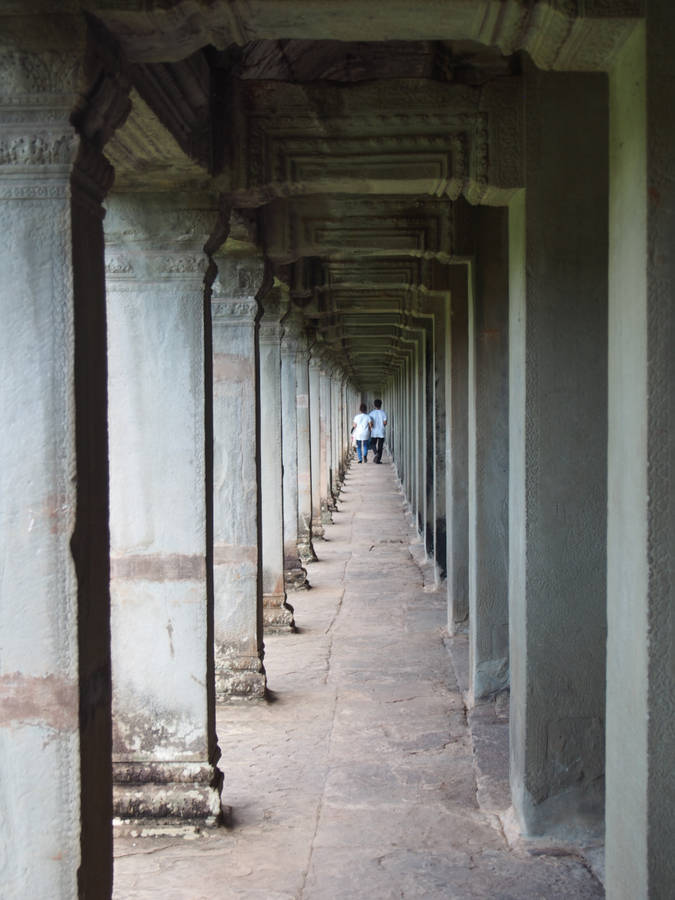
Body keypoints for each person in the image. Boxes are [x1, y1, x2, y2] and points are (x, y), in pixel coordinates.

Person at [368, 398, 388, 464]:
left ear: (374, 405)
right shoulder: (383, 413)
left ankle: (376, 453)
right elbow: (385, 423)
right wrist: (382, 426)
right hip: (381, 431)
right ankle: (378, 460)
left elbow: (370, 423)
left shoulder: (371, 413)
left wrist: (371, 427)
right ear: (381, 405)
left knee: (372, 444)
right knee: (380, 446)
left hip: (374, 431)